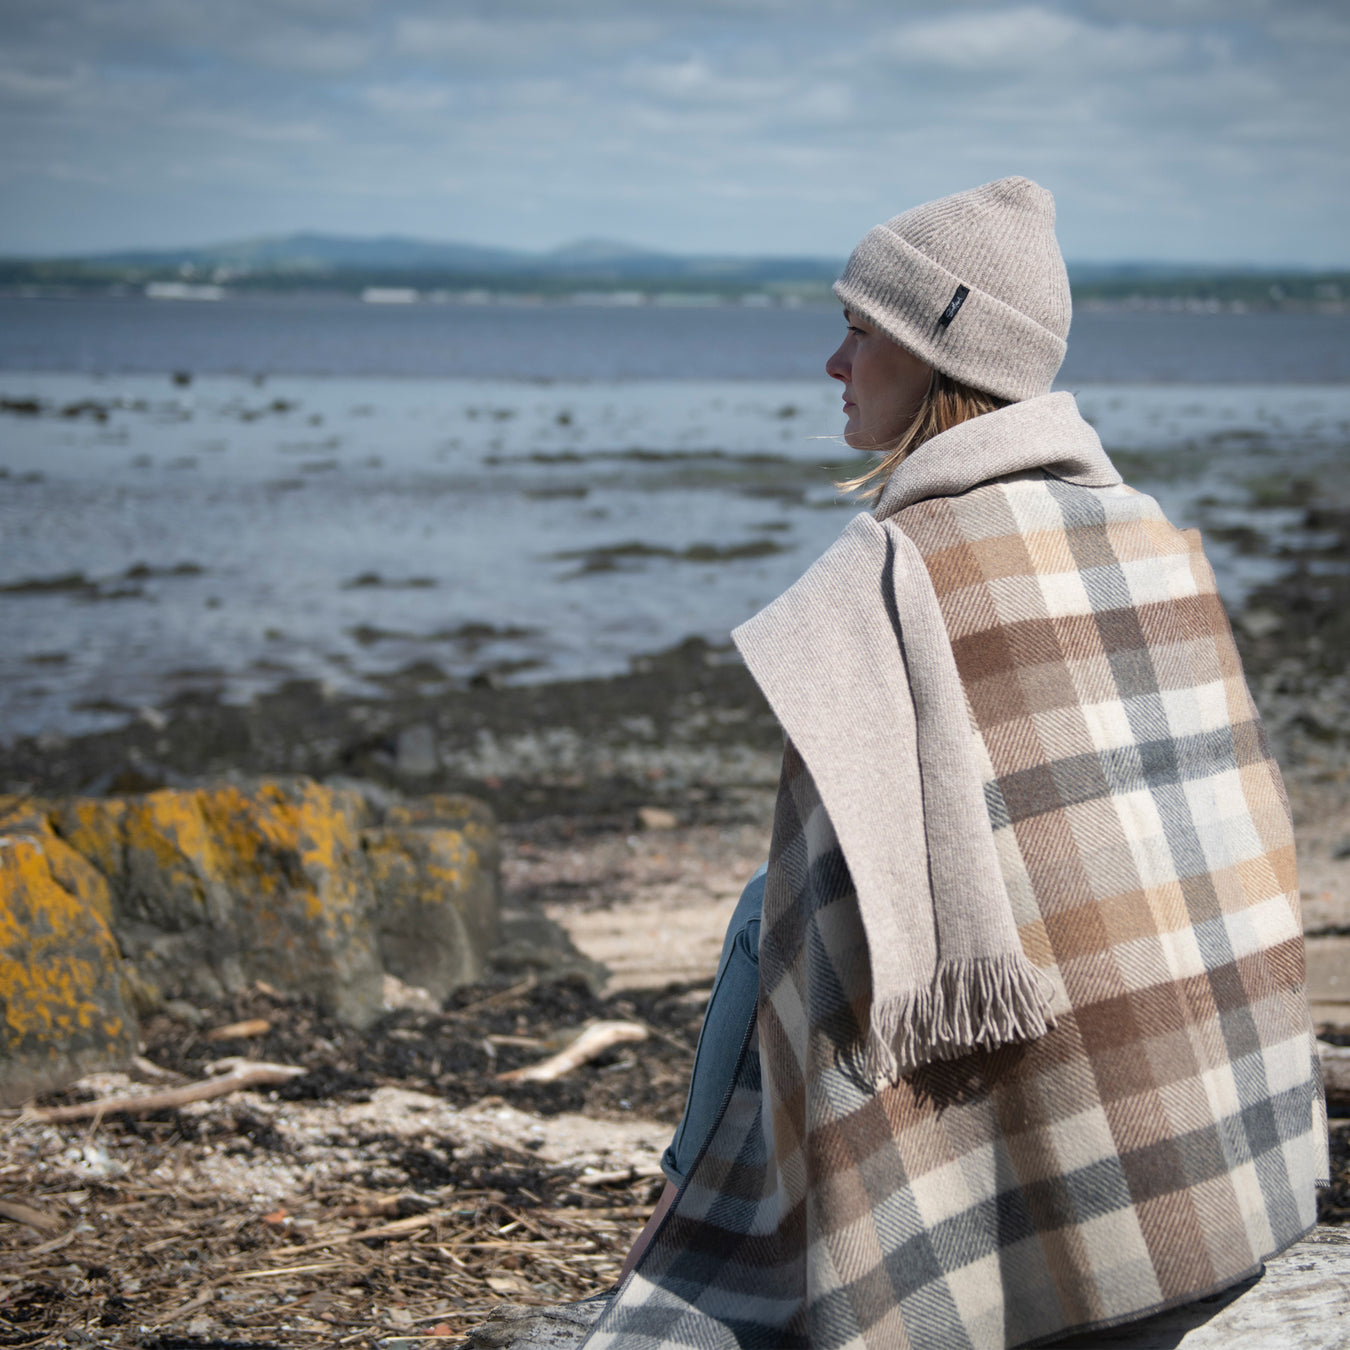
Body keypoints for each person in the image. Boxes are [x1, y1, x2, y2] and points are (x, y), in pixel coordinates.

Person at [591, 177, 1328, 1349]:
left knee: (764, 916)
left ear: (938, 349)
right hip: (1233, 1187)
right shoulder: (1153, 539)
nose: (832, 363)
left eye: (857, 329)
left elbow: (812, 918)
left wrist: (701, 1195)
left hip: (1060, 1228)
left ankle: (682, 1205)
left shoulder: (884, 581)